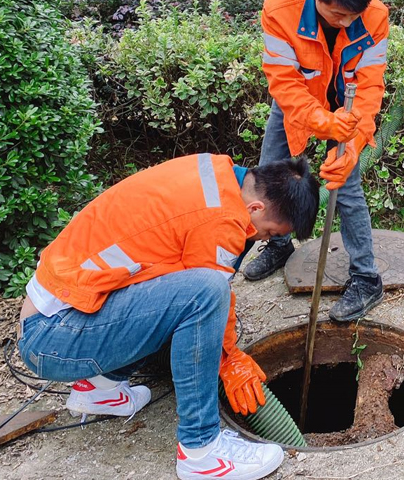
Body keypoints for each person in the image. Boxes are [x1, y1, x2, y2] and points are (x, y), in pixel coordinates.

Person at [17, 154, 319, 480]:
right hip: (53, 334)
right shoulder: (221, 218)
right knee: (204, 294)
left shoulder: (218, 173)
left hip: (60, 314)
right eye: (271, 232)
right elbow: (209, 290)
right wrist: (229, 359)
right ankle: (201, 451)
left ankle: (99, 388)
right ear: (257, 208)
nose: (265, 240)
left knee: (184, 294)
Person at [243, 0, 389, 323]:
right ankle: (277, 246)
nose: (345, 23)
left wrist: (352, 143)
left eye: (353, 16)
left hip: (348, 107)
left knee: (348, 185)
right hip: (298, 102)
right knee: (268, 177)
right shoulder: (280, 10)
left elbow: (370, 89)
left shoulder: (375, 17)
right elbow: (284, 83)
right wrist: (319, 121)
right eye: (337, 15)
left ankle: (366, 277)